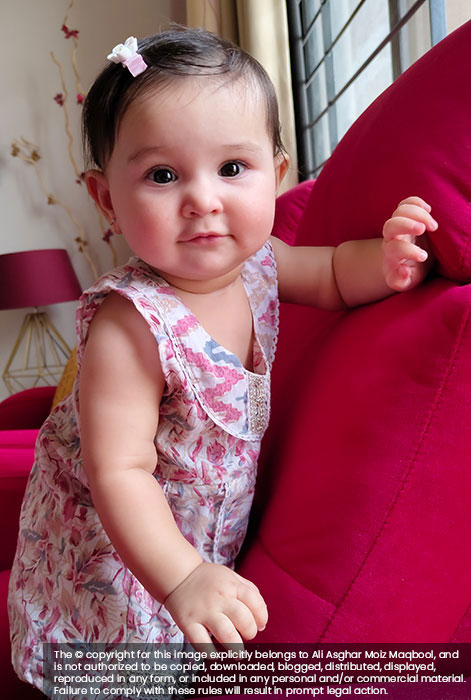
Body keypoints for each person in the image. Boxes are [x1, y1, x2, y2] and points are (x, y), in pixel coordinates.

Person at [8, 26, 438, 695]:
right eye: (162, 175)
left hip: (198, 537)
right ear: (107, 200)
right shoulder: (131, 324)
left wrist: (388, 262)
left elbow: (331, 274)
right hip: (115, 558)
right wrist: (181, 575)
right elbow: (118, 470)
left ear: (277, 176)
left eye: (232, 169)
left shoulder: (261, 262)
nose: (203, 200)